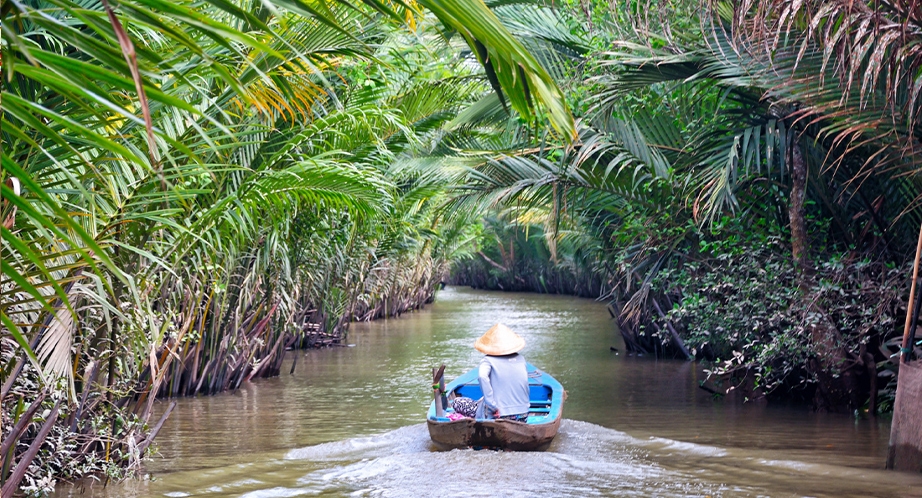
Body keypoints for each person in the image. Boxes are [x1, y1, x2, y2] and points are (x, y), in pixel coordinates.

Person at [474, 323, 530, 421]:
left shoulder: (488, 360)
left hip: (499, 414)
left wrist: (492, 406)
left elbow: (482, 377)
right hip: (523, 413)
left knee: (459, 402)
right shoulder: (521, 359)